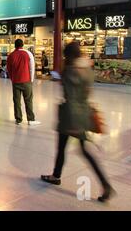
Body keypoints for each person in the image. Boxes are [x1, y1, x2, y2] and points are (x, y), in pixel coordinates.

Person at [41, 42, 114, 202]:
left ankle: (105, 184)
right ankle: (56, 175)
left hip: (71, 117)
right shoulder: (87, 68)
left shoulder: (70, 71)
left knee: (69, 149)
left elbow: (71, 98)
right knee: (75, 149)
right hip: (84, 112)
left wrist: (73, 124)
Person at [6, 39, 40, 126]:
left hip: (16, 81)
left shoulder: (11, 55)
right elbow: (32, 67)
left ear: (15, 45)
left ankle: (18, 119)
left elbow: (8, 69)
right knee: (28, 100)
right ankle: (31, 119)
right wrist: (31, 80)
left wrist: (12, 78)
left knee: (16, 101)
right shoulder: (27, 54)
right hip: (26, 81)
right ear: (23, 45)